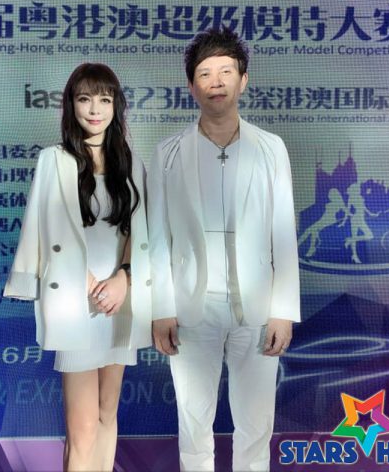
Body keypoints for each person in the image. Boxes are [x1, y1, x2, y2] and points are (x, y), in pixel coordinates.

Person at [148, 27, 301, 472]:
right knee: (193, 421)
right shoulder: (168, 153)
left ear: (243, 80)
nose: (215, 82)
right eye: (204, 73)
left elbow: (283, 232)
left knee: (256, 422)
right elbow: (157, 238)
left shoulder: (271, 148)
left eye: (225, 72)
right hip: (192, 307)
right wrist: (161, 308)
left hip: (257, 308)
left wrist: (282, 310)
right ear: (191, 86)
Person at [4, 63, 152, 471]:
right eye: (85, 99)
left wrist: (123, 279)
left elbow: (139, 232)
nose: (94, 109)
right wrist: (85, 282)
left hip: (119, 301)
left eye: (104, 99)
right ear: (71, 104)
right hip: (75, 299)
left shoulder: (131, 164)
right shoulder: (53, 160)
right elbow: (40, 228)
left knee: (107, 414)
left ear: (116, 106)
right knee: (82, 428)